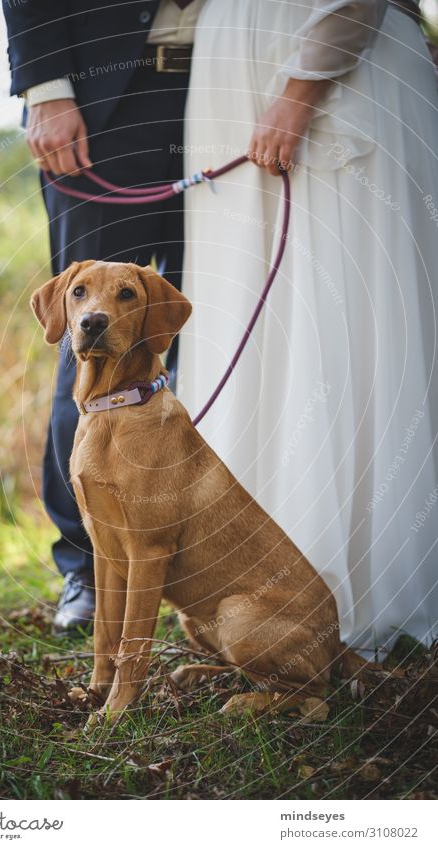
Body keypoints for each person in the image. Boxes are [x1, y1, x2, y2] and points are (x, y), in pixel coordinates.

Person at [179, 0, 438, 655]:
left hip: (333, 71)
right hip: (237, 77)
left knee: (342, 308)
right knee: (257, 310)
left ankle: (362, 578)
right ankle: (253, 589)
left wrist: (299, 91)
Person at [2, 0, 205, 632]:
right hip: (102, 100)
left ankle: (193, 552)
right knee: (90, 340)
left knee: (216, 337)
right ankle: (86, 566)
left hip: (227, 94)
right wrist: (47, 91)